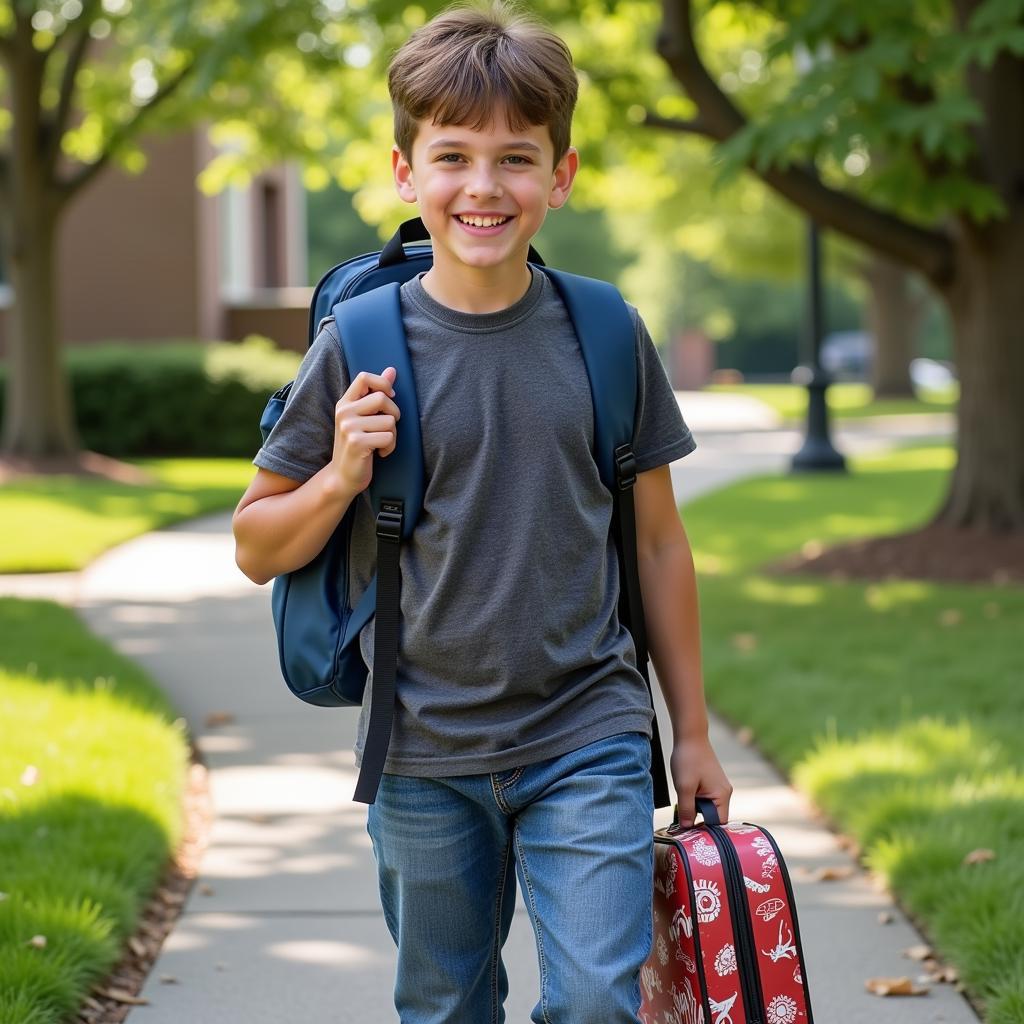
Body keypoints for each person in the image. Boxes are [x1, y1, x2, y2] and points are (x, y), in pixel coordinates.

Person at [232, 1, 733, 1020]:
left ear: (560, 176)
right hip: (420, 751)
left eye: (515, 158)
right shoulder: (361, 340)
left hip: (586, 730)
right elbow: (254, 544)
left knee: (597, 999)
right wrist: (336, 475)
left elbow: (657, 541)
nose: (483, 186)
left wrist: (690, 731)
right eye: (452, 156)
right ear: (406, 172)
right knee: (448, 1007)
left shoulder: (603, 330)